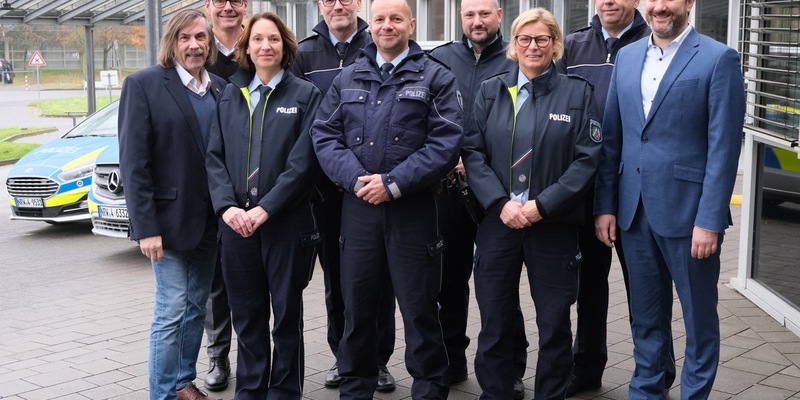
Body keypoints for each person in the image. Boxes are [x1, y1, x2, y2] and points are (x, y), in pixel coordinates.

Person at [311, 0, 463, 397]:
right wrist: (357, 179)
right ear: (370, 25)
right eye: (380, 19)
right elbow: (324, 135)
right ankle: (355, 389)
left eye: (396, 19)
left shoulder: (435, 77)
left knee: (420, 312)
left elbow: (446, 140)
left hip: (412, 212)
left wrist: (393, 182)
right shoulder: (348, 78)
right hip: (358, 211)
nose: (387, 26)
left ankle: (429, 389)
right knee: (357, 312)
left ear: (410, 24)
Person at [594, 0, 746, 398]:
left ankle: (694, 394)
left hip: (689, 215)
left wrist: (710, 219)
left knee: (698, 320)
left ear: (689, 4)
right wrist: (606, 205)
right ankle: (647, 389)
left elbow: (724, 146)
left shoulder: (718, 58)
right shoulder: (626, 57)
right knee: (645, 317)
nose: (661, 7)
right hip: (633, 210)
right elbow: (614, 138)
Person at [461, 8, 601, 400]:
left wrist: (543, 205)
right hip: (499, 222)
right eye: (524, 39)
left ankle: (550, 393)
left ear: (556, 45)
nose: (533, 46)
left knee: (555, 321)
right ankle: (497, 392)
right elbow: (473, 152)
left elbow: (587, 159)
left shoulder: (577, 92)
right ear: (514, 45)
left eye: (542, 39)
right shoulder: (490, 90)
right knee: (495, 319)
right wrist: (500, 203)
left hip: (552, 225)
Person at [205, 12, 322, 399]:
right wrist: (227, 207)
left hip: (285, 224)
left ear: (285, 46)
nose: (265, 46)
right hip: (236, 225)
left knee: (286, 314)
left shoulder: (306, 95)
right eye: (257, 40)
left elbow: (303, 163)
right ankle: (252, 389)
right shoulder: (229, 93)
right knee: (247, 315)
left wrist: (265, 208)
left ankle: (286, 391)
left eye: (273, 39)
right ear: (247, 47)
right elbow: (214, 157)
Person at [118, 9, 226, 400]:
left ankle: (182, 381)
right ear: (172, 43)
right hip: (166, 224)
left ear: (209, 43)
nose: (194, 45)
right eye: (185, 38)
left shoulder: (219, 89)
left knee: (196, 308)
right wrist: (145, 227)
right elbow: (134, 163)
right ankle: (162, 393)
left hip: (210, 224)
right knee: (171, 311)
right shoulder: (144, 85)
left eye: (201, 37)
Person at [290, 0, 397, 391]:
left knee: (381, 278)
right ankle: (345, 356)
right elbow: (304, 122)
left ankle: (379, 359)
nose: (338, 4)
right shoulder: (303, 53)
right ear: (320, 5)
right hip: (325, 190)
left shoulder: (380, 40)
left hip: (375, 188)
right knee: (337, 277)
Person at [427, 0, 527, 396]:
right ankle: (451, 361)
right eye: (469, 14)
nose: (477, 21)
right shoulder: (439, 59)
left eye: (484, 13)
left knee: (498, 285)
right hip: (447, 191)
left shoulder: (518, 56)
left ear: (499, 15)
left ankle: (510, 367)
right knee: (448, 281)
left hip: (496, 192)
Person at [554, 0, 652, 396]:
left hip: (636, 187)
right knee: (589, 285)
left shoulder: (654, 42)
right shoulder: (572, 48)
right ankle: (587, 367)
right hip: (583, 187)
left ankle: (652, 372)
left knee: (645, 287)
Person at [201, 0, 248, 391]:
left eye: (236, 0)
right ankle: (218, 357)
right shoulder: (199, 51)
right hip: (209, 184)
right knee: (215, 280)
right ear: (208, 6)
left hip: (254, 186)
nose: (228, 7)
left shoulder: (258, 48)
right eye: (220, 1)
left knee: (253, 279)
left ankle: (255, 356)